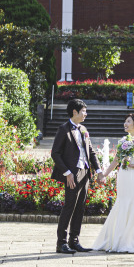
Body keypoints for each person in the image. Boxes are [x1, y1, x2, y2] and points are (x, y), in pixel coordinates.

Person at [92, 113, 134, 254]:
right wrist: (104, 174)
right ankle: (118, 240)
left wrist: (132, 165)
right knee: (121, 203)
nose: (125, 124)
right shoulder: (122, 141)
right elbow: (116, 161)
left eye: (128, 121)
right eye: (125, 121)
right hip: (123, 176)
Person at [50, 98, 105, 254]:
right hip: (72, 174)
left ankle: (74, 241)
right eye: (83, 111)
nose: (85, 114)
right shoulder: (63, 129)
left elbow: (91, 152)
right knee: (69, 207)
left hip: (85, 172)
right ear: (75, 112)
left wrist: (99, 170)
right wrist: (67, 173)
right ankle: (61, 243)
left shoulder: (83, 129)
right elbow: (55, 153)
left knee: (80, 208)